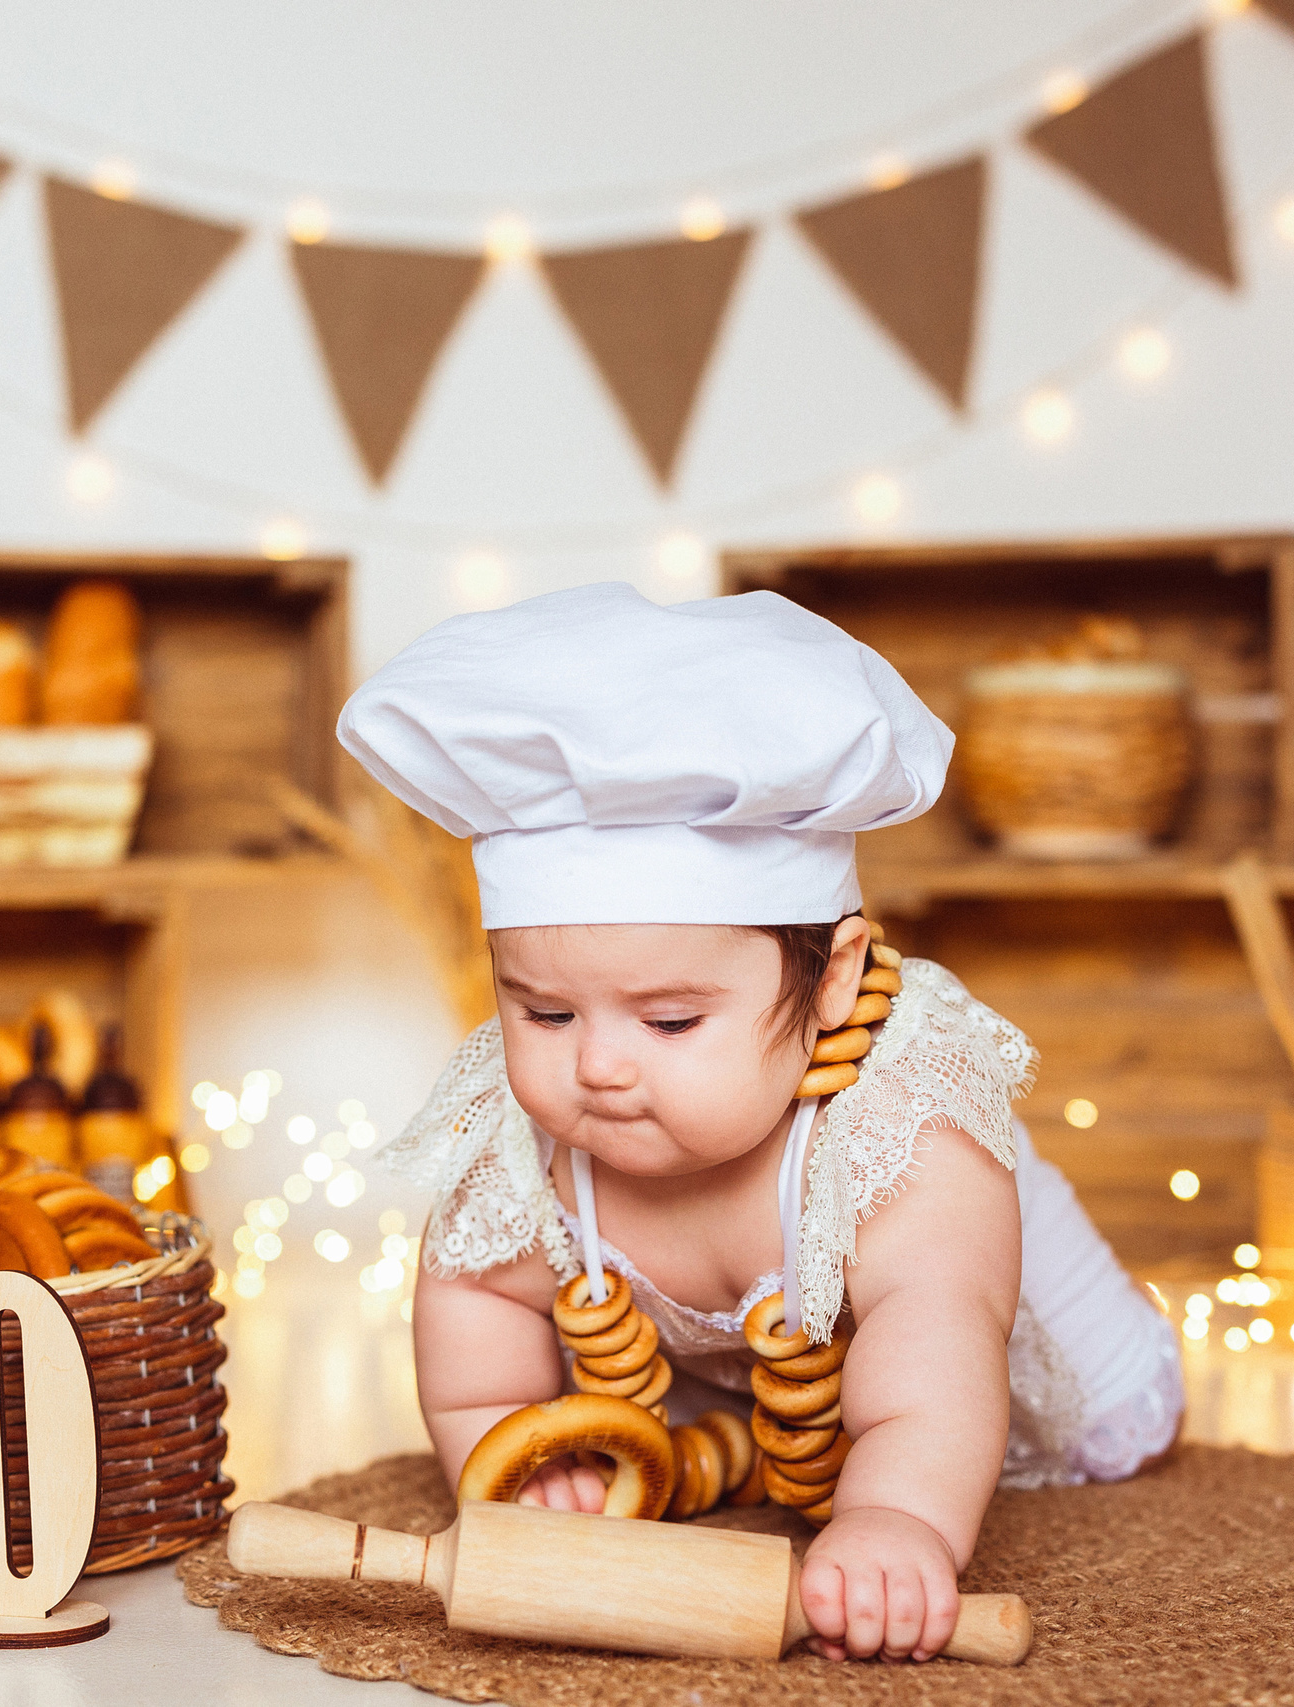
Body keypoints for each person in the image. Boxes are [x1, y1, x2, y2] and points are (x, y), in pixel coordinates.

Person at [343, 583, 1179, 1662]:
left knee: (1100, 1430)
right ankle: (744, 1431)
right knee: (620, 1359)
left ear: (830, 981)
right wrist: (510, 1462)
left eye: (671, 1018)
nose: (597, 1064)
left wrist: (898, 1523)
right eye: (542, 1010)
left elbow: (938, 1351)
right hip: (743, 1360)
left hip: (987, 1328)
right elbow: (472, 1320)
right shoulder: (529, 1156)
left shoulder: (905, 1145)